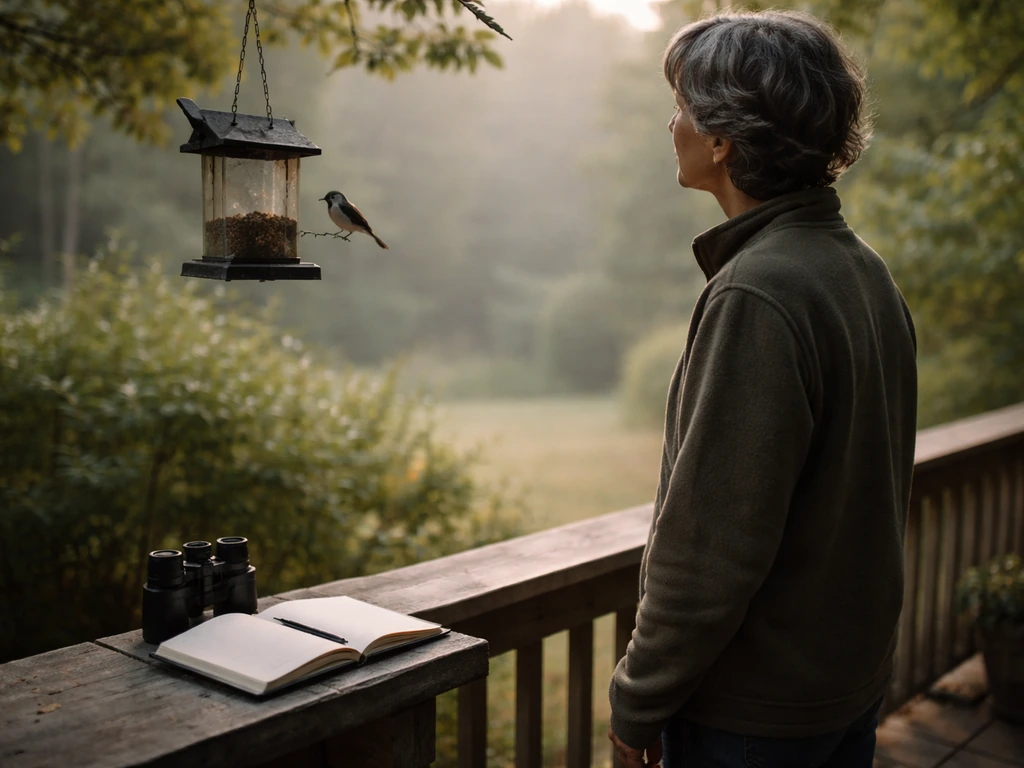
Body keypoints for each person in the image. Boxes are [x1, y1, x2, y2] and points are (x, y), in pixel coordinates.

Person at [607, 10, 918, 768]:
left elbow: (711, 546)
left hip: (753, 718)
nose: (671, 124)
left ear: (722, 139)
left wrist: (638, 700)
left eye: (682, 105)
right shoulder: (862, 270)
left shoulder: (759, 292)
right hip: (841, 690)